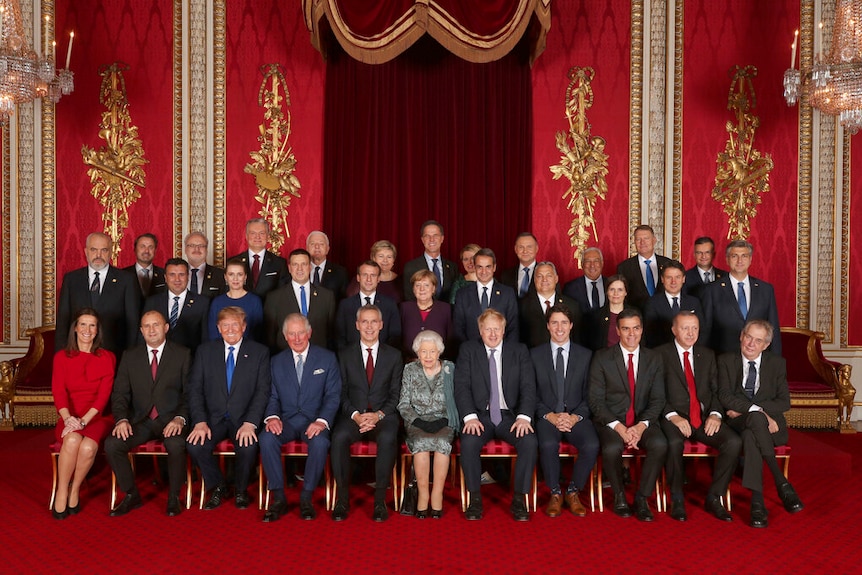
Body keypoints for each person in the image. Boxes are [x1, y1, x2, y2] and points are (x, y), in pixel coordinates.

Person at [718, 320, 802, 528]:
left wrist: (756, 411)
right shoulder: (726, 360)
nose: (751, 344)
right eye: (748, 337)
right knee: (754, 421)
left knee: (750, 435)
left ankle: (757, 501)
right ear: (741, 336)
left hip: (770, 428)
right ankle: (781, 482)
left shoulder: (776, 363)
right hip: (738, 422)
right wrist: (758, 411)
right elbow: (724, 396)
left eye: (758, 340)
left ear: (765, 345)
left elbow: (784, 402)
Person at [105, 311, 191, 517]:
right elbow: (120, 394)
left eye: (156, 325)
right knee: (112, 444)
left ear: (166, 328)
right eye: (147, 326)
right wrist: (122, 420)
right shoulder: (130, 356)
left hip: (171, 420)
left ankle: (173, 497)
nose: (152, 330)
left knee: (176, 444)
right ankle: (131, 494)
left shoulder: (182, 354)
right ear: (141, 331)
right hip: (140, 421)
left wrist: (180, 418)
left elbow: (191, 394)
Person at [454, 308, 537, 521]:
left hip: (510, 416)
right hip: (480, 415)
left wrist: (524, 416)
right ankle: (474, 499)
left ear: (503, 329)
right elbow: (461, 386)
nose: (493, 334)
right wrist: (469, 416)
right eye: (488, 329)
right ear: (480, 331)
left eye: (497, 329)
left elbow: (529, 387)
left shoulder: (518, 351)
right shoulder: (468, 350)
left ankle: (519, 499)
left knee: (528, 441)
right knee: (469, 442)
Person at [657, 311, 740, 522]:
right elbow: (653, 393)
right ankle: (676, 497)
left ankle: (714, 496)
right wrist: (673, 416)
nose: (691, 333)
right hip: (673, 417)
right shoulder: (659, 355)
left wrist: (715, 414)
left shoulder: (708, 354)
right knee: (674, 443)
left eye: (694, 328)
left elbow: (715, 391)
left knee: (733, 441)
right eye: (685, 328)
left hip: (702, 417)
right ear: (674, 330)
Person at [186, 307, 271, 511]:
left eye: (235, 324)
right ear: (218, 327)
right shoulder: (205, 351)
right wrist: (199, 421)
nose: (230, 329)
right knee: (195, 446)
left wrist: (251, 423)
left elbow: (263, 391)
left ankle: (241, 490)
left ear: (244, 327)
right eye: (225, 325)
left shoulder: (260, 352)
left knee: (248, 447)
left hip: (244, 419)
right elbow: (194, 389)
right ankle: (218, 486)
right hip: (212, 418)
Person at [260, 314, 341, 521]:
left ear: (309, 333)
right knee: (267, 438)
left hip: (313, 420)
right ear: (285, 336)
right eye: (292, 334)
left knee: (321, 443)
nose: (297, 338)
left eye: (301, 333)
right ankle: (278, 498)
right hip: (286, 420)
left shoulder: (327, 358)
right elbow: (271, 395)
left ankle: (306, 497)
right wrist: (272, 417)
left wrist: (322, 421)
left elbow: (333, 395)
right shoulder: (276, 361)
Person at [588, 308, 667, 522]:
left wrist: (640, 427)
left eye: (636, 328)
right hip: (612, 422)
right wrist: (620, 428)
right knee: (612, 447)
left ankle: (642, 497)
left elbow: (658, 399)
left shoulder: (654, 358)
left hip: (643, 421)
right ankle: (620, 495)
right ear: (617, 331)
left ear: (642, 330)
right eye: (625, 329)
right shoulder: (602, 358)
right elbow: (595, 401)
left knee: (660, 444)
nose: (631, 334)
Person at [331, 305, 403, 522]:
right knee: (339, 438)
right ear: (357, 325)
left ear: (381, 325)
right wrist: (355, 415)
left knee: (388, 437)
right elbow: (340, 393)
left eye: (374, 322)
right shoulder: (344, 355)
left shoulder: (394, 355)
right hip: (353, 415)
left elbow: (396, 394)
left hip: (383, 415)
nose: (369, 326)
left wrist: (379, 415)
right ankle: (342, 499)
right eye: (364, 322)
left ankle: (379, 500)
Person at [531, 304, 598, 518]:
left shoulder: (586, 355)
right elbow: (530, 394)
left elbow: (591, 395)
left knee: (592, 444)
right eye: (554, 323)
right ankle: (554, 493)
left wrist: (575, 416)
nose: (559, 328)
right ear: (548, 326)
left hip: (576, 416)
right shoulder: (534, 355)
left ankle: (573, 491)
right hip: (547, 416)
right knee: (548, 444)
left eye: (563, 323)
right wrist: (550, 415)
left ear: (571, 326)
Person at [51, 309, 116, 519]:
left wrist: (83, 421)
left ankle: (75, 488)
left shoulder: (107, 358)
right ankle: (62, 489)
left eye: (92, 325)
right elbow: (58, 391)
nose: (87, 330)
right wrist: (68, 418)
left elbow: (103, 397)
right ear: (76, 328)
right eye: (83, 325)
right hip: (68, 416)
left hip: (97, 417)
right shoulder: (61, 357)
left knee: (88, 446)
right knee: (71, 442)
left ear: (97, 331)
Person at [397, 331, 458, 518]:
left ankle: (437, 494)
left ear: (439, 352)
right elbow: (403, 403)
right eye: (424, 352)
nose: (428, 356)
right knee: (422, 445)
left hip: (445, 420)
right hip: (416, 422)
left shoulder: (450, 369)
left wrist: (444, 420)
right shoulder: (410, 369)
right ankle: (423, 495)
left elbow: (458, 400)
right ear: (418, 353)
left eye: (432, 352)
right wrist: (418, 421)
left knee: (442, 444)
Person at [56, 232, 140, 355]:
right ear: (86, 251)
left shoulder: (126, 280)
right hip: (77, 355)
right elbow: (63, 321)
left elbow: (133, 324)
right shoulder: (71, 279)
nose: (98, 255)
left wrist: (131, 358)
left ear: (110, 252)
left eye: (104, 250)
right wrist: (61, 355)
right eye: (93, 249)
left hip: (115, 356)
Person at [702, 240, 781, 355]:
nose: (740, 261)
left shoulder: (766, 290)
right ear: (727, 260)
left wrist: (776, 362)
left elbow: (773, 329)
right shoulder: (712, 290)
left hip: (758, 359)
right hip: (723, 358)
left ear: (750, 260)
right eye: (735, 256)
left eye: (744, 256)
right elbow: (706, 331)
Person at [263, 248, 336, 352]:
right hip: (285, 359)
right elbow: (269, 337)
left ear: (310, 267)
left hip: (319, 358)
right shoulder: (274, 298)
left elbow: (331, 334)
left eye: (304, 264)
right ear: (289, 268)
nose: (299, 269)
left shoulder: (327, 296)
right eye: (295, 264)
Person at [142, 258, 210, 356]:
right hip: (159, 360)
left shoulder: (202, 302)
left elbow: (205, 338)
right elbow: (143, 335)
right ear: (165, 277)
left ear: (188, 276)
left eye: (181, 275)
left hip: (191, 360)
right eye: (172, 275)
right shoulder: (152, 302)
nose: (177, 279)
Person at [453, 248, 519, 344]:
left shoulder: (508, 293)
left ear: (494, 267)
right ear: (475, 268)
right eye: (480, 267)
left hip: (501, 354)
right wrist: (469, 351)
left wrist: (505, 353)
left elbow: (513, 327)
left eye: (488, 267)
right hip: (471, 353)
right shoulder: (462, 294)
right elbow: (458, 328)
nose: (484, 271)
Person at [336, 261, 401, 350]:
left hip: (383, 359)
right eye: (365, 275)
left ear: (378, 279)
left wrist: (382, 356)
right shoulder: (345, 305)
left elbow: (395, 335)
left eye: (373, 275)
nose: (368, 279)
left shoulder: (390, 304)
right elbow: (339, 336)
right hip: (351, 359)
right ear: (358, 278)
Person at [519, 261, 582, 348]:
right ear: (534, 280)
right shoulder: (522, 305)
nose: (544, 280)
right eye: (540, 276)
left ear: (556, 279)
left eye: (549, 276)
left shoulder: (572, 305)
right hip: (531, 358)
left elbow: (577, 339)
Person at [643, 260, 703, 348]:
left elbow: (702, 330)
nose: (673, 282)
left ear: (683, 279)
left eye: (677, 277)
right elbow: (650, 334)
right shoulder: (652, 303)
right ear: (662, 279)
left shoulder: (694, 302)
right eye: (669, 277)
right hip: (662, 353)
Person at [228, 218, 289, 298]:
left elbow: (283, 293)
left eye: (262, 233)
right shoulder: (232, 262)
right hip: (240, 309)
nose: (257, 237)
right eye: (253, 233)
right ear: (246, 236)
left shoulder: (279, 263)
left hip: (269, 309)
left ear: (268, 236)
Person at [616, 225, 673, 310]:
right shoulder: (624, 267)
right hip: (636, 318)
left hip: (665, 317)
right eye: (638, 239)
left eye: (646, 238)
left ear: (654, 240)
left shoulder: (667, 263)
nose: (642, 242)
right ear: (634, 242)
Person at [207, 258, 264, 341]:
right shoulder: (217, 302)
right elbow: (213, 333)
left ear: (245, 277)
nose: (235, 278)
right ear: (225, 277)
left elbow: (257, 333)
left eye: (240, 274)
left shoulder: (255, 301)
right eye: (231, 274)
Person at [400, 270, 453, 359]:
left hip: (438, 363)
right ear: (413, 289)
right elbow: (398, 338)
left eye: (426, 285)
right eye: (418, 285)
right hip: (408, 362)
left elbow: (451, 339)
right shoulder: (404, 308)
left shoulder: (446, 309)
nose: (422, 289)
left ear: (433, 289)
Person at [403, 220, 457, 302]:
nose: (431, 239)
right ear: (422, 239)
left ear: (442, 238)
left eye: (435, 235)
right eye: (427, 236)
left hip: (448, 313)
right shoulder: (410, 267)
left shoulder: (452, 267)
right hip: (420, 313)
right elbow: (409, 297)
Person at [589, 274, 636, 351]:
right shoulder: (596, 316)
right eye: (612, 289)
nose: (616, 293)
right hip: (605, 360)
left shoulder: (635, 314)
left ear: (626, 292)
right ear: (607, 292)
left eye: (620, 290)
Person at [122, 233, 165, 303]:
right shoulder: (123, 275)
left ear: (155, 250)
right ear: (135, 249)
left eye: (151, 247)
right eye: (142, 246)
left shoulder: (164, 275)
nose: (146, 251)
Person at [563, 247, 607, 315]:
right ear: (582, 264)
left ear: (602, 263)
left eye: (596, 261)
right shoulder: (571, 288)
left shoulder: (611, 284)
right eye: (588, 261)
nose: (592, 265)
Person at [307, 230, 349, 300]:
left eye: (321, 244)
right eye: (312, 244)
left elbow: (343, 300)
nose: (317, 247)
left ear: (327, 249)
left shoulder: (340, 272)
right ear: (307, 248)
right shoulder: (300, 270)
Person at [184, 231, 227, 297]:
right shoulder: (176, 275)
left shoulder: (220, 275)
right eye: (192, 245)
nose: (197, 249)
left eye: (201, 246)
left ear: (206, 250)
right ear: (185, 250)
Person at [500, 232, 539, 299]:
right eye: (521, 247)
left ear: (536, 248)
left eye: (529, 247)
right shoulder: (505, 275)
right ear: (515, 249)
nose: (525, 251)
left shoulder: (546, 273)